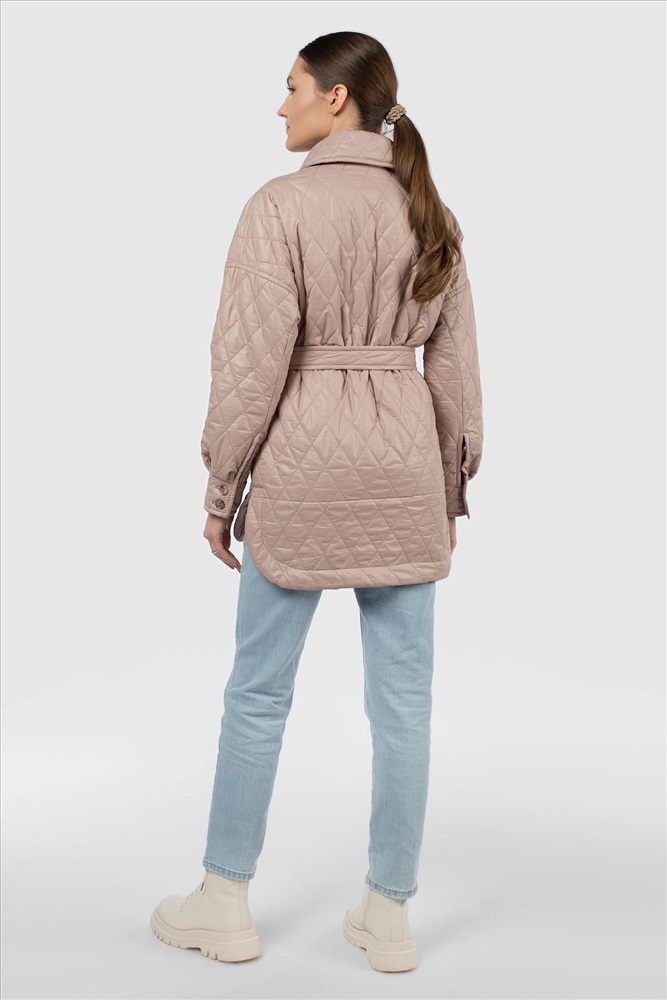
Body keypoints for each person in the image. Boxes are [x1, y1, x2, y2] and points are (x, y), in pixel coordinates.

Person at [150, 30, 484, 974]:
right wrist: (448, 487)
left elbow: (247, 366)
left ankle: (224, 902)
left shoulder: (278, 206)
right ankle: (390, 913)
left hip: (300, 469)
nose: (281, 103)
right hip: (402, 470)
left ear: (337, 98)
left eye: (293, 85)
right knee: (404, 702)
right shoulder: (430, 211)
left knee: (258, 692)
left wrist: (222, 489)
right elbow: (455, 371)